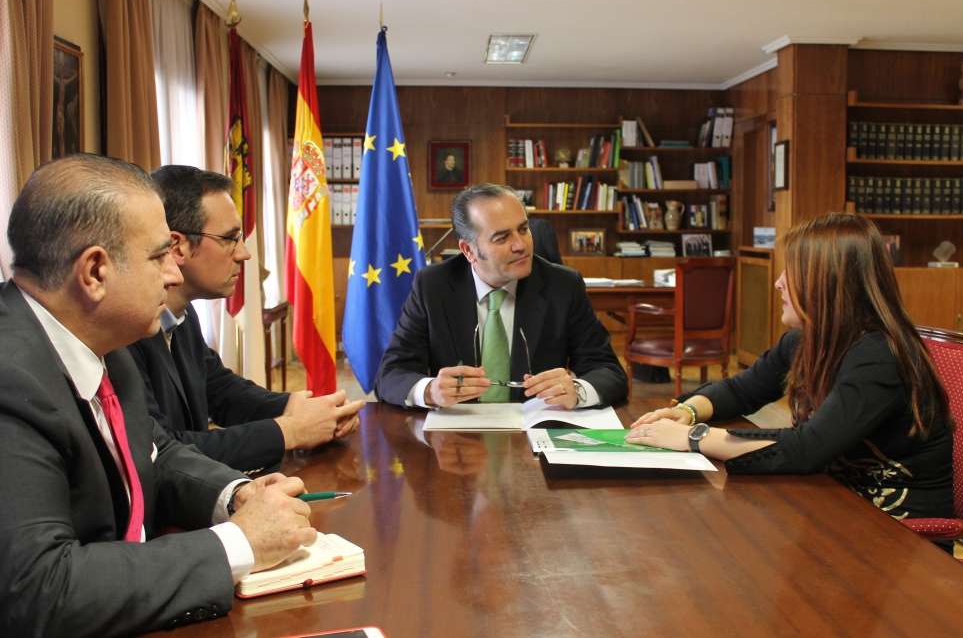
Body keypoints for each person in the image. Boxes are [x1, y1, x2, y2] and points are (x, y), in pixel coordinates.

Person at [0, 155, 317, 636]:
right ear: (95, 272)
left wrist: (236, 495)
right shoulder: (10, 380)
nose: (173, 274)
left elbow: (155, 453)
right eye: (158, 257)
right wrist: (238, 543)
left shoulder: (104, 340)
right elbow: (40, 590)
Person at [626, 213, 954, 522]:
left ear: (829, 282)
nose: (778, 283)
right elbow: (740, 391)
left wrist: (692, 437)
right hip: (834, 506)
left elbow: (808, 448)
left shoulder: (879, 356)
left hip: (899, 534)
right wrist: (687, 412)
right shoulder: (807, 339)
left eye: (792, 272)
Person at [128, 165, 363, 475]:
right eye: (229, 239)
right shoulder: (124, 332)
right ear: (177, 247)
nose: (244, 253)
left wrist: (296, 408)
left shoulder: (183, 314)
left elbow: (221, 391)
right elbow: (165, 452)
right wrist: (288, 431)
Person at [375, 183, 627, 409]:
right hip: (457, 434)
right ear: (469, 250)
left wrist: (577, 391)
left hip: (534, 429)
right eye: (502, 238)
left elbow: (609, 371)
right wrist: (430, 391)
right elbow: (390, 375)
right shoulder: (433, 286)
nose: (521, 245)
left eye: (524, 229)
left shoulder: (563, 285)